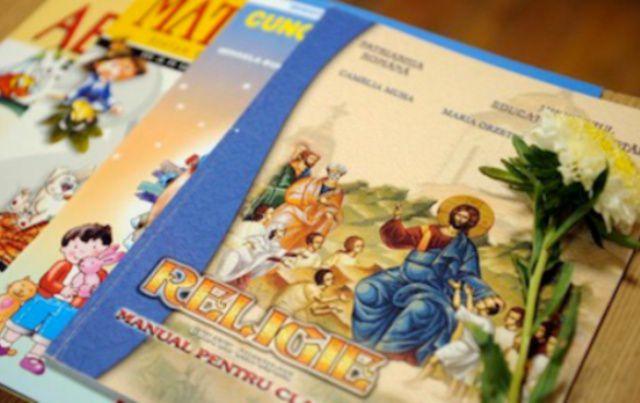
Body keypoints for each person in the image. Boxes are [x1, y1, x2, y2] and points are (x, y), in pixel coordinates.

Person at [352, 195, 503, 366]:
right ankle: (364, 342)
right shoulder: (428, 231)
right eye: (459, 214)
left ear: (470, 223)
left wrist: (484, 292)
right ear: (452, 214)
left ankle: (386, 353)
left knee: (421, 309)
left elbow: (468, 274)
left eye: (465, 218)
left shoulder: (466, 248)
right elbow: (400, 239)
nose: (460, 219)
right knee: (367, 289)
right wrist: (396, 221)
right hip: (402, 277)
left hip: (434, 288)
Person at [0, 224, 113, 375]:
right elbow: (46, 280)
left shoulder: (99, 274)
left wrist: (87, 293)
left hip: (69, 309)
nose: (77, 252)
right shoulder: (62, 265)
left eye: (88, 250)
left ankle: (33, 357)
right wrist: (62, 289)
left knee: (50, 334)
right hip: (44, 299)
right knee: (23, 322)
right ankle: (4, 343)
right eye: (74, 246)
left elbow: (99, 292)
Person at [424, 280, 498, 395]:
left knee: (436, 361)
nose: (480, 301)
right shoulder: (485, 322)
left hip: (466, 349)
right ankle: (448, 398)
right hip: (471, 352)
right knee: (457, 377)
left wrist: (458, 290)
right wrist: (469, 295)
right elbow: (470, 310)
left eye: (483, 302)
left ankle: (416, 383)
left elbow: (458, 305)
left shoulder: (478, 320)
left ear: (487, 309)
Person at [270, 163, 347, 250]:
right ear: (328, 172)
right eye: (333, 173)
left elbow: (335, 207)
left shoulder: (338, 191)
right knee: (287, 215)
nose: (335, 176)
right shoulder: (310, 182)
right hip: (300, 209)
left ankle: (295, 249)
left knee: (326, 221)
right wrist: (314, 199)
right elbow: (291, 194)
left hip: (318, 215)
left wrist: (327, 204)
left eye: (338, 174)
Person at [246, 145, 320, 219]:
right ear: (303, 157)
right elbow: (277, 180)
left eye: (315, 160)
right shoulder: (288, 167)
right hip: (277, 192)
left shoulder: (306, 174)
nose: (313, 161)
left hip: (287, 195)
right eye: (311, 159)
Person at [215, 224, 288, 289]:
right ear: (273, 231)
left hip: (254, 266)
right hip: (245, 260)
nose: (279, 236)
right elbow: (248, 243)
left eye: (281, 235)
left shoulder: (276, 246)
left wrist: (281, 258)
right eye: (278, 233)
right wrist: (251, 248)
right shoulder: (259, 238)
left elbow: (274, 255)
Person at [273, 269, 347, 321]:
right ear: (322, 279)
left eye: (332, 278)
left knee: (302, 320)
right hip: (283, 305)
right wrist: (337, 297)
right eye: (329, 279)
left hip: (292, 310)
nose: (332, 281)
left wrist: (331, 310)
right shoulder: (311, 287)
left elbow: (315, 311)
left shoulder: (318, 293)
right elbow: (321, 300)